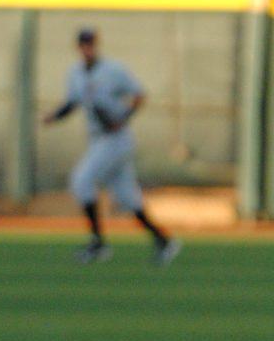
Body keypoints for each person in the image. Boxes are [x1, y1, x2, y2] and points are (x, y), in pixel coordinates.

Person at [43, 27, 181, 266]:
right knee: (128, 198)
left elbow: (139, 95)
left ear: (97, 45)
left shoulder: (113, 70)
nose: (87, 48)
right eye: (83, 44)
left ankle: (98, 244)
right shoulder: (75, 73)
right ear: (78, 47)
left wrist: (123, 118)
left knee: (81, 180)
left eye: (91, 44)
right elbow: (72, 103)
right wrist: (54, 117)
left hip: (116, 139)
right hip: (98, 138)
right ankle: (164, 241)